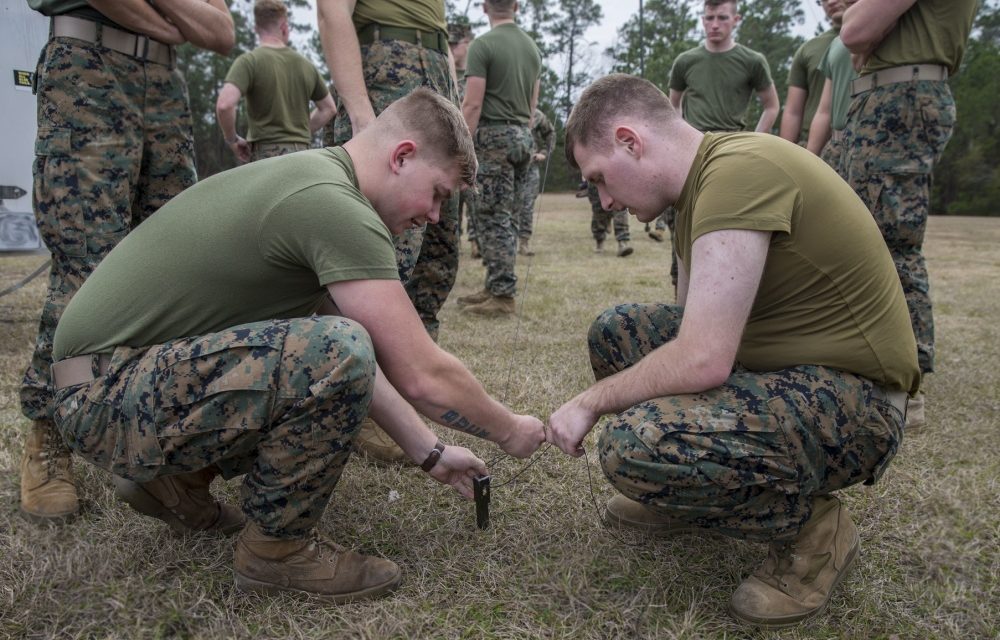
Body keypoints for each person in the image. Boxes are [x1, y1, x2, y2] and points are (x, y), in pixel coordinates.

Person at [49, 89, 546, 603]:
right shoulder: (335, 206)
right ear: (402, 157)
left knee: (331, 349)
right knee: (341, 348)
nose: (436, 216)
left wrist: (431, 454)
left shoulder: (316, 178)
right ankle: (275, 553)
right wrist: (509, 430)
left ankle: (177, 481)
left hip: (105, 384)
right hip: (106, 397)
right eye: (439, 194)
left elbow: (347, 367)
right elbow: (419, 373)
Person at [550, 74, 917, 628]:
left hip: (860, 403)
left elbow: (701, 358)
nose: (604, 201)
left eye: (599, 180)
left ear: (630, 141)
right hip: (794, 371)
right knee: (618, 331)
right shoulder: (699, 189)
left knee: (636, 444)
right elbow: (687, 330)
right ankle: (687, 491)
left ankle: (815, 534)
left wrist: (591, 402)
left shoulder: (737, 173)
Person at [19, 0, 234, 524]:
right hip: (86, 67)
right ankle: (49, 437)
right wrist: (177, 20)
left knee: (171, 268)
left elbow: (221, 31)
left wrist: (167, 21)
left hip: (163, 87)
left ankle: (154, 442)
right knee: (87, 264)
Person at [317, 0, 461, 460]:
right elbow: (331, 11)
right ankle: (363, 402)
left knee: (438, 247)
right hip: (386, 71)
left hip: (436, 73)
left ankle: (415, 385)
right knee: (381, 259)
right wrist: (361, 113)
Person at [840, 0, 979, 429]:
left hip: (899, 100)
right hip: (891, 97)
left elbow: (855, 31)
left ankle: (904, 390)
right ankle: (882, 377)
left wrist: (857, 26)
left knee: (891, 244)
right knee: (870, 241)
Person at [457, 0, 542, 317]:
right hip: (522, 136)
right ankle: (494, 286)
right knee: (507, 216)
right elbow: (533, 104)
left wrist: (460, 146)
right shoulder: (531, 48)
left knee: (493, 217)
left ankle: (503, 294)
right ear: (517, 5)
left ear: (483, 7)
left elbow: (472, 105)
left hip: (494, 139)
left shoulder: (483, 45)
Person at [216, 0, 335, 163]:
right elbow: (328, 109)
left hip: (266, 156)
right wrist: (300, 132)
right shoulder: (306, 66)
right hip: (303, 156)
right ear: (284, 27)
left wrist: (232, 140)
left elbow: (225, 105)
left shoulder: (249, 61)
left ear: (256, 29)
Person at [669, 0, 780, 135]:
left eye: (722, 18)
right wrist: (681, 136)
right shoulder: (684, 61)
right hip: (695, 141)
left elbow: (771, 106)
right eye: (710, 18)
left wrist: (755, 140)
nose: (715, 25)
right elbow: (673, 105)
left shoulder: (753, 61)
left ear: (736, 19)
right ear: (703, 21)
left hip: (733, 143)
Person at [778, 0, 844, 145]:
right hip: (812, 145)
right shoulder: (809, 49)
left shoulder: (881, 34)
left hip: (867, 137)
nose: (831, 2)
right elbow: (793, 111)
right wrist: (786, 153)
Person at [448, 21, 481, 259]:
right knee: (450, 205)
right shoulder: (442, 73)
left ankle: (477, 243)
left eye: (455, 44)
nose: (450, 49)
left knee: (475, 203)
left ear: (467, 43)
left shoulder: (474, 76)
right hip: (448, 152)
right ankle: (453, 244)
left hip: (475, 150)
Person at [517, 108, 555, 257]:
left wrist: (544, 153)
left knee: (527, 206)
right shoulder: (506, 110)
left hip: (530, 168)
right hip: (507, 167)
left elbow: (550, 134)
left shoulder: (537, 115)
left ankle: (524, 243)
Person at [587, 182, 632, 258]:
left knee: (620, 208)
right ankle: (599, 241)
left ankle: (622, 243)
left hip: (617, 178)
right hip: (597, 179)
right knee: (599, 211)